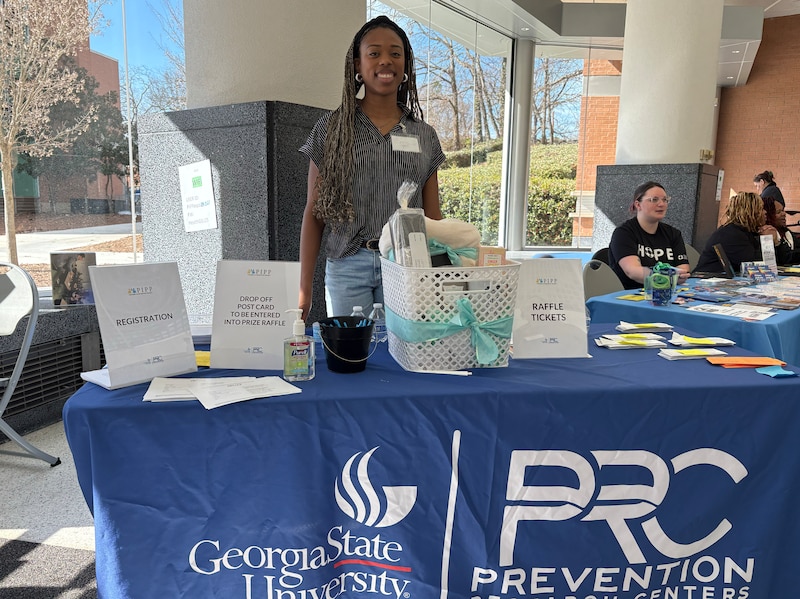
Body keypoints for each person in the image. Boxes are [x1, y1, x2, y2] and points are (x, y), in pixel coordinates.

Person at [298, 16, 445, 321]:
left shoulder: (424, 135)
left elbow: (433, 219)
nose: (385, 61)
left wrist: (441, 279)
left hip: (408, 266)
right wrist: (304, 292)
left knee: (408, 357)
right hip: (347, 267)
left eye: (395, 53)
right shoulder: (332, 129)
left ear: (405, 65)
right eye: (374, 53)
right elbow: (314, 212)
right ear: (356, 65)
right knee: (354, 360)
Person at [608, 181, 690, 290]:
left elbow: (683, 268)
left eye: (665, 200)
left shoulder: (673, 233)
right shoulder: (623, 233)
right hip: (631, 293)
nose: (661, 204)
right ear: (638, 205)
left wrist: (679, 276)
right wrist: (668, 278)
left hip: (666, 292)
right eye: (654, 200)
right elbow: (632, 271)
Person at [695, 191, 785, 273]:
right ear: (749, 212)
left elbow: (780, 263)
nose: (765, 212)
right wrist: (767, 241)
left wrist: (776, 242)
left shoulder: (748, 232)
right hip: (707, 280)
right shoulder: (731, 234)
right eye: (761, 209)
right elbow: (756, 268)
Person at [763, 196, 799, 265]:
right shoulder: (766, 233)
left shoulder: (786, 232)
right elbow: (784, 258)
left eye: (783, 210)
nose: (784, 214)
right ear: (768, 215)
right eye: (778, 212)